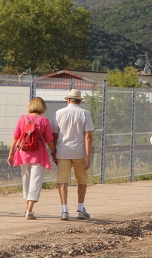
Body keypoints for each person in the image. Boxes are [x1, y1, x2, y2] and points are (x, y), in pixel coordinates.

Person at [7, 97, 57, 220]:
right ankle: (29, 211)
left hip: (23, 152)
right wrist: (54, 152)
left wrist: (11, 153)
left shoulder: (22, 118)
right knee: (36, 181)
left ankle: (27, 210)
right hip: (39, 154)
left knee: (26, 180)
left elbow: (15, 137)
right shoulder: (44, 121)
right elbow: (50, 140)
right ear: (42, 107)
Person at [53, 89, 94, 221]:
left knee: (62, 181)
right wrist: (88, 156)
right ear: (79, 101)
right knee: (82, 180)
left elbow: (54, 134)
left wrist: (54, 152)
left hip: (63, 150)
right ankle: (80, 209)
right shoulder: (85, 114)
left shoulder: (58, 113)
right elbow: (88, 136)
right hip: (79, 151)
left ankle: (64, 210)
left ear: (68, 100)